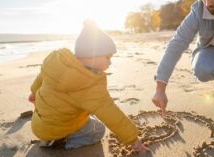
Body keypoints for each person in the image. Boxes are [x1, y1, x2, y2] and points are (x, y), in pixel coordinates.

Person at [28, 20, 148, 153]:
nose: (110, 62)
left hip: (39, 123)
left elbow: (41, 78)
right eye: (108, 57)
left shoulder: (56, 62)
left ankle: (53, 137)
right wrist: (132, 139)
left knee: (87, 111)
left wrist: (33, 93)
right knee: (99, 130)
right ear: (92, 55)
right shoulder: (90, 85)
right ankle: (63, 142)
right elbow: (111, 114)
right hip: (56, 132)